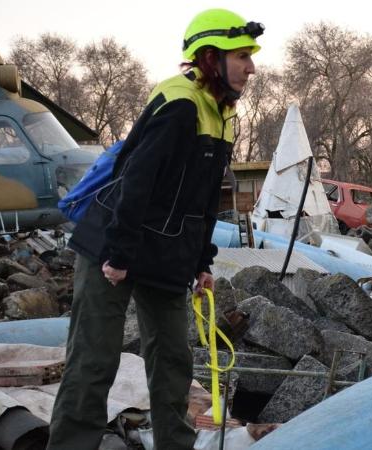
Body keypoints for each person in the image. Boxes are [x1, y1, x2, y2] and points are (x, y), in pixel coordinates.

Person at [47, 9, 262, 450]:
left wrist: (202, 261)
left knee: (173, 363)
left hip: (165, 253)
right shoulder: (179, 103)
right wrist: (120, 255)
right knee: (94, 361)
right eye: (242, 56)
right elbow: (136, 180)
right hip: (113, 243)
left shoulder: (221, 114)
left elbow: (204, 200)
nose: (251, 67)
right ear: (209, 57)